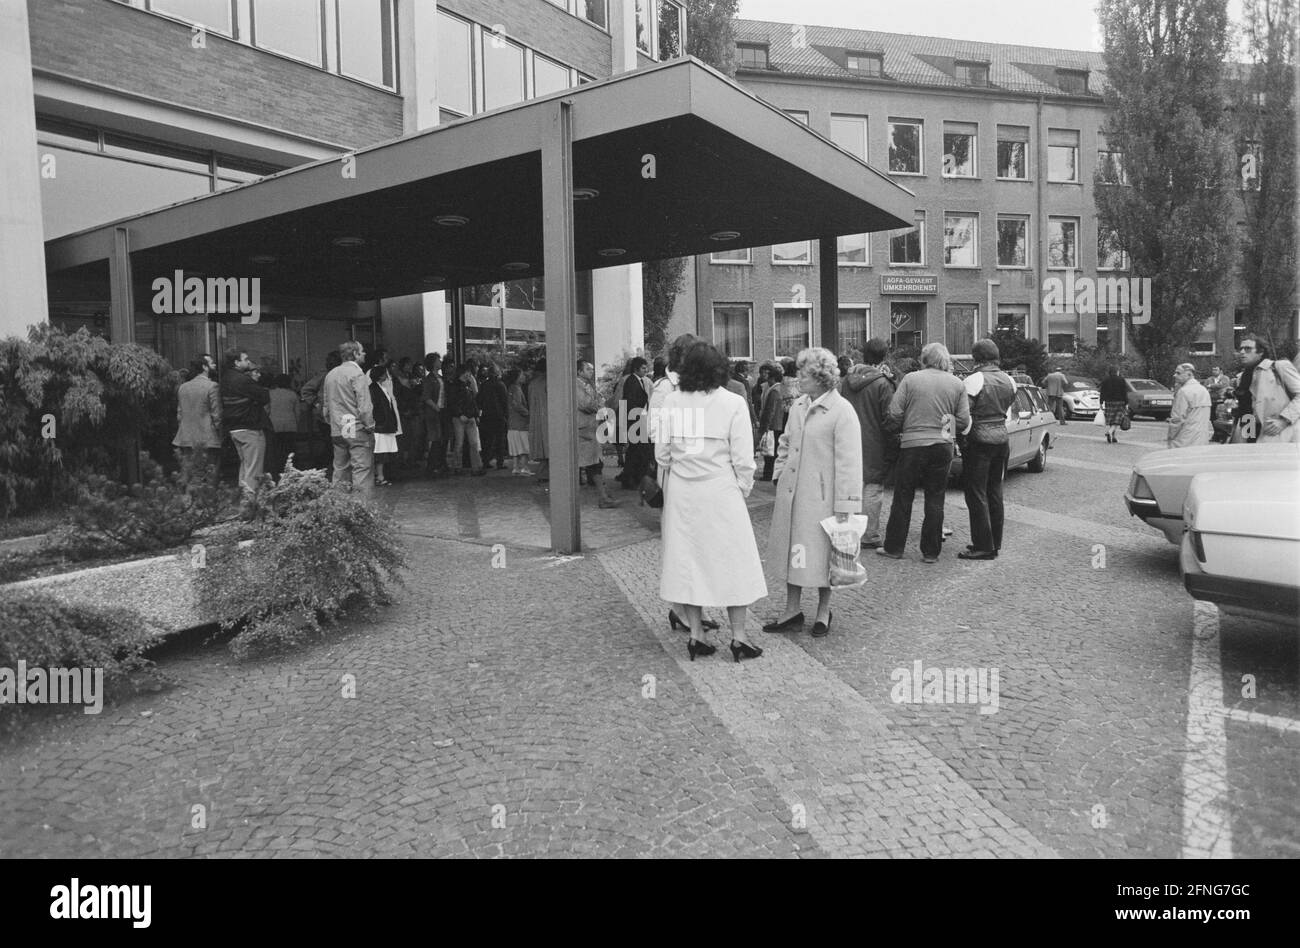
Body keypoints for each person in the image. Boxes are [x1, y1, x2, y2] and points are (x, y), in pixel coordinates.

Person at [658, 342, 767, 662]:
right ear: (720, 368)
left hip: (682, 490)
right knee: (734, 560)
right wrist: (741, 489)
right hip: (720, 490)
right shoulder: (732, 403)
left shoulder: (671, 402)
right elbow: (744, 460)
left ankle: (695, 634)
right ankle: (739, 637)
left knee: (688, 560)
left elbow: (662, 455)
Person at [763, 347, 862, 638]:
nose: (798, 378)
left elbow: (850, 462)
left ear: (820, 377)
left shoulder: (842, 411)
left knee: (822, 556)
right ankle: (792, 609)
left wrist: (846, 506)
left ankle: (823, 610)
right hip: (794, 495)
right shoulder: (798, 406)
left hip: (824, 500)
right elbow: (785, 442)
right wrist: (779, 473)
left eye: (804, 374)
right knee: (794, 551)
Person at [879, 342, 969, 564]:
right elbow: (964, 420)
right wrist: (944, 428)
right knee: (935, 498)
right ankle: (931, 552)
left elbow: (895, 412)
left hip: (912, 445)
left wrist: (907, 426)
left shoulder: (911, 379)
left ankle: (894, 547)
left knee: (903, 496)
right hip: (942, 446)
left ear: (924, 359)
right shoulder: (957, 384)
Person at [958, 340, 1017, 560]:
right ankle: (995, 542)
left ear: (976, 358)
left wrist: (961, 437)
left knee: (976, 493)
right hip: (1002, 438)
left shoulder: (973, 380)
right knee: (995, 491)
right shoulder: (1009, 380)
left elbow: (965, 415)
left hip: (979, 440)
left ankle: (982, 544)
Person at [843, 338, 898, 549]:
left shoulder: (846, 380)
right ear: (883, 356)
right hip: (875, 442)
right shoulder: (883, 383)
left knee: (852, 486)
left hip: (849, 439)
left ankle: (849, 530)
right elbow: (889, 417)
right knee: (873, 488)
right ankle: (869, 535)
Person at [322, 340, 375, 499]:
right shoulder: (357, 374)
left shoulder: (331, 374)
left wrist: (332, 422)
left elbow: (326, 408)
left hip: (337, 428)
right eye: (362, 351)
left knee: (340, 470)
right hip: (356, 427)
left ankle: (339, 510)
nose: (365, 353)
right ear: (355, 354)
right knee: (362, 470)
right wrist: (370, 425)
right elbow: (364, 406)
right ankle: (361, 510)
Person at [220, 349, 272, 500]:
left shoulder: (225, 379)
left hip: (234, 428)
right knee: (254, 469)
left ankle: (243, 500)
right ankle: (250, 504)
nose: (248, 361)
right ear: (236, 362)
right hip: (250, 427)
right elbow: (264, 396)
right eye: (245, 359)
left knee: (245, 467)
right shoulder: (243, 380)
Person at [1236, 334, 1300, 443]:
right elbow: (1248, 410)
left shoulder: (1279, 367)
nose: (1242, 352)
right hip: (1254, 432)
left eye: (1247, 349)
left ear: (1260, 352)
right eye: (1240, 349)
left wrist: (1284, 420)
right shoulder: (1243, 377)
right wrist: (1246, 439)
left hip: (1281, 434)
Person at [173, 356, 222, 485]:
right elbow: (216, 414)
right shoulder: (212, 386)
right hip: (207, 435)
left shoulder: (183, 387)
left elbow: (179, 414)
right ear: (205, 367)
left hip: (186, 436)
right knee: (208, 474)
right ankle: (207, 501)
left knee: (189, 473)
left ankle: (188, 500)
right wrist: (219, 432)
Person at [577, 361, 619, 507]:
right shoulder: (577, 386)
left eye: (592, 369)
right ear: (579, 371)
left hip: (588, 429)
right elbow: (586, 404)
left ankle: (604, 495)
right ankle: (603, 496)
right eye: (588, 369)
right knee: (594, 463)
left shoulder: (587, 386)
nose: (591, 372)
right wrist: (599, 404)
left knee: (595, 463)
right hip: (583, 430)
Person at [758, 358, 798, 481]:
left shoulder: (777, 389)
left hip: (776, 423)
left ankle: (770, 473)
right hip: (787, 420)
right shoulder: (794, 385)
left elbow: (770, 410)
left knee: (772, 450)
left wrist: (765, 426)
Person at [616, 356, 653, 489]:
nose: (646, 370)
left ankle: (632, 478)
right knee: (640, 451)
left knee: (636, 451)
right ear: (636, 368)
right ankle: (633, 478)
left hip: (637, 420)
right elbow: (630, 403)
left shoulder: (637, 381)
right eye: (643, 368)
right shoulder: (632, 382)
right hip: (636, 420)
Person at [449, 360, 486, 476]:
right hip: (460, 417)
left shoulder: (468, 385)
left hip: (468, 417)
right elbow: (453, 402)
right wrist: (460, 414)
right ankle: (459, 467)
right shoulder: (455, 386)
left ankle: (475, 467)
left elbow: (475, 399)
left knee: (473, 443)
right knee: (460, 443)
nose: (469, 375)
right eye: (467, 372)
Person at [369, 363, 401, 486]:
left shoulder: (380, 388)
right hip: (380, 425)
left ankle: (381, 475)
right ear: (381, 376)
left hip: (385, 424)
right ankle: (379, 476)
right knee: (380, 452)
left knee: (383, 452)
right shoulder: (373, 389)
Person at [1166, 362, 1212, 448]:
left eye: (1178, 373)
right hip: (1201, 439)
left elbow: (1177, 419)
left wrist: (1170, 436)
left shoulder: (1183, 392)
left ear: (1189, 374)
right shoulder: (1204, 390)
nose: (1174, 375)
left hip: (1184, 440)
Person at [266, 374, 300, 478]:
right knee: (289, 452)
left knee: (275, 452)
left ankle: (276, 474)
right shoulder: (293, 395)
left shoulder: (270, 394)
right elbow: (297, 413)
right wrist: (296, 424)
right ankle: (289, 474)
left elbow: (266, 410)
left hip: (274, 426)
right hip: (290, 426)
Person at [477, 363, 509, 470]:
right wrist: (506, 415)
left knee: (488, 440)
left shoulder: (484, 384)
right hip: (498, 415)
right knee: (500, 440)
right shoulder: (500, 385)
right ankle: (500, 462)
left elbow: (479, 400)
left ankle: (486, 461)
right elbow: (504, 401)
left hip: (486, 415)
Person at [420, 353, 448, 477]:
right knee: (436, 438)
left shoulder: (441, 378)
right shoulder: (429, 379)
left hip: (442, 410)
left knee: (442, 438)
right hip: (434, 412)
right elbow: (426, 397)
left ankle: (440, 464)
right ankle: (433, 466)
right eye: (438, 360)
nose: (440, 362)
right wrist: (436, 408)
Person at [505, 369, 532, 476]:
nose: (524, 376)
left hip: (512, 423)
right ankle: (524, 467)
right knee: (524, 446)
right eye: (521, 375)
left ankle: (516, 467)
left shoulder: (511, 388)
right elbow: (517, 405)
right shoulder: (516, 389)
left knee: (515, 447)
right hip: (520, 423)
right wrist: (528, 413)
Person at [527, 358, 549, 482]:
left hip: (536, 418)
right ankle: (544, 474)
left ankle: (542, 474)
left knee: (541, 448)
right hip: (548, 418)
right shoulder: (548, 382)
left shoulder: (532, 383)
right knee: (549, 447)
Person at [1098, 366, 1129, 443]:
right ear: (1117, 372)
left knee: (1112, 420)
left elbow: (1102, 392)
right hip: (1120, 402)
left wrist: (1101, 402)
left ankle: (1113, 436)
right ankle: (1109, 432)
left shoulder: (1105, 380)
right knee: (1117, 420)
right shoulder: (1121, 380)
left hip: (1109, 402)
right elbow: (1124, 392)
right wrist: (1126, 403)